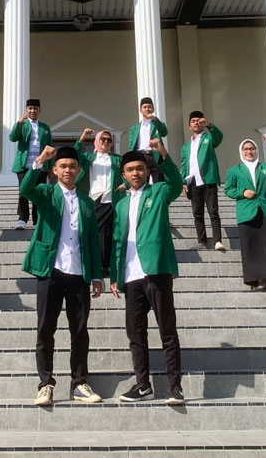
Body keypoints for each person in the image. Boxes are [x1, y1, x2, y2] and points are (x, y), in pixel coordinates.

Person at [20, 145, 104, 406]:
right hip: (51, 270)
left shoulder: (88, 203)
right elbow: (25, 191)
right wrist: (38, 162)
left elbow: (92, 240)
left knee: (79, 330)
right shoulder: (46, 193)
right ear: (55, 171)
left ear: (79, 171)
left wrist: (98, 276)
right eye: (63, 166)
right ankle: (45, 383)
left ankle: (80, 383)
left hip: (79, 273)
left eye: (72, 166)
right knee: (46, 328)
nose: (68, 170)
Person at [110, 139, 184, 405]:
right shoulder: (120, 204)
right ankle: (143, 385)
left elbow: (176, 183)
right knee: (136, 334)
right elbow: (118, 240)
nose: (135, 173)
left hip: (156, 271)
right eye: (130, 170)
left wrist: (163, 154)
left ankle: (175, 386)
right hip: (131, 277)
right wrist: (115, 277)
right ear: (123, 174)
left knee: (167, 330)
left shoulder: (159, 191)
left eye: (140, 168)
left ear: (146, 170)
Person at [224, 135, 266, 291]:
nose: (249, 151)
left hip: (265, 209)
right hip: (246, 211)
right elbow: (228, 189)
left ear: (256, 150)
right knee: (251, 246)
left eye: (252, 148)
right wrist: (243, 192)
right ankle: (259, 279)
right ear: (241, 152)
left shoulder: (264, 168)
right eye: (246, 149)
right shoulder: (234, 170)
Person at [74, 128, 125, 276]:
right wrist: (82, 137)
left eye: (109, 140)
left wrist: (126, 185)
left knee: (108, 234)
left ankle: (106, 266)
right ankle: (92, 263)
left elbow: (127, 172)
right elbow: (75, 155)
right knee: (93, 233)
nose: (106, 142)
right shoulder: (89, 157)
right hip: (93, 200)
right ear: (97, 141)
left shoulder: (117, 159)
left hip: (112, 200)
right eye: (103, 139)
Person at [180, 111, 225, 251]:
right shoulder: (186, 147)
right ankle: (202, 241)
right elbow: (184, 164)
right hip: (193, 183)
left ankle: (217, 240)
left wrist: (210, 126)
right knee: (197, 213)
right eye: (193, 121)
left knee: (213, 211)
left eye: (198, 120)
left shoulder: (208, 139)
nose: (196, 123)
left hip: (208, 180)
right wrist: (183, 182)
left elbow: (219, 138)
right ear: (189, 126)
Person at [9, 99, 53, 229]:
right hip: (24, 165)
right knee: (23, 191)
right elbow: (12, 137)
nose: (32, 111)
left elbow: (49, 147)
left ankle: (37, 219)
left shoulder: (45, 128)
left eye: (35, 108)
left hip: (40, 165)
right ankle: (22, 218)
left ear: (39, 110)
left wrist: (50, 167)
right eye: (30, 108)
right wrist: (19, 123)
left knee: (38, 192)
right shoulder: (22, 124)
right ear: (26, 110)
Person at [128, 97, 168, 183]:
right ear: (140, 110)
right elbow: (131, 146)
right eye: (145, 107)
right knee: (141, 183)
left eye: (149, 107)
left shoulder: (157, 124)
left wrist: (155, 119)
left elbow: (164, 133)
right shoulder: (134, 128)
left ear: (153, 109)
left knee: (158, 183)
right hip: (140, 156)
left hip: (154, 156)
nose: (147, 109)